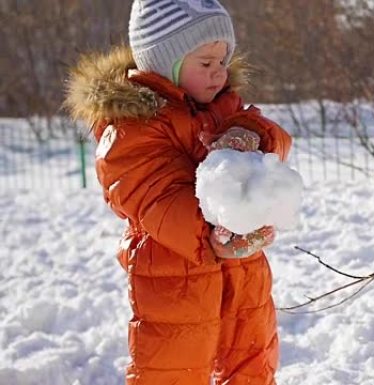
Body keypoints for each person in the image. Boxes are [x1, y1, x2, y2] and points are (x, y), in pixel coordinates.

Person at [65, 1, 291, 384]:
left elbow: (275, 141)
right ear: (163, 60)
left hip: (244, 274)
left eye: (223, 61)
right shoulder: (132, 128)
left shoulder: (225, 108)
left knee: (251, 364)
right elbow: (153, 195)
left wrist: (252, 134)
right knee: (174, 369)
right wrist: (212, 237)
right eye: (206, 64)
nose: (219, 73)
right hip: (175, 277)